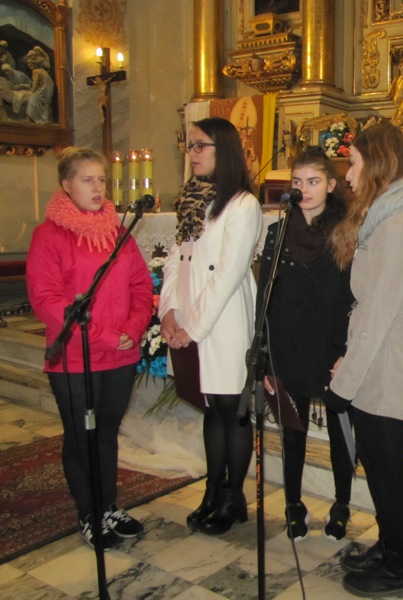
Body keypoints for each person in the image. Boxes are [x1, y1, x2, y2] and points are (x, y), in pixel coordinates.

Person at [324, 122, 403, 597]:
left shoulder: (398, 225)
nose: (348, 176)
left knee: (390, 473)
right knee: (383, 466)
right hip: (383, 362)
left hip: (386, 368)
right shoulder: (396, 216)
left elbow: (377, 312)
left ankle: (398, 566)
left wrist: (343, 383)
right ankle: (392, 544)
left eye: (353, 164)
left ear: (378, 163)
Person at [27, 147, 153, 550]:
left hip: (120, 353)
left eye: (101, 179)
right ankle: (89, 513)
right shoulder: (49, 235)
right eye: (87, 180)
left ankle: (108, 506)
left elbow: (140, 285)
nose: (98, 187)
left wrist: (132, 328)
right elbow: (47, 300)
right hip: (75, 356)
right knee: (81, 437)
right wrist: (103, 336)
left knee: (107, 433)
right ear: (66, 185)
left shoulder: (118, 232)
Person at [159, 116, 262, 536]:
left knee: (231, 408)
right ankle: (212, 490)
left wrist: (193, 327)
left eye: (200, 145)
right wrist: (169, 311)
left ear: (224, 149)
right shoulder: (192, 199)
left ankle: (233, 497)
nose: (192, 153)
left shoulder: (242, 204)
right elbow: (174, 259)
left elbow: (229, 273)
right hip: (191, 317)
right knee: (210, 408)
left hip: (225, 319)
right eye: (190, 145)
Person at [255, 147, 354, 542]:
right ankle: (293, 503)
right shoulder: (277, 232)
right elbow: (265, 297)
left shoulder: (346, 231)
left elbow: (355, 295)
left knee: (339, 431)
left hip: (332, 345)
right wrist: (264, 356)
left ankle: (342, 503)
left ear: (331, 185)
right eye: (298, 182)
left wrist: (349, 350)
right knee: (292, 431)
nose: (305, 189)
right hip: (289, 342)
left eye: (313, 181)